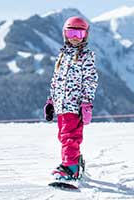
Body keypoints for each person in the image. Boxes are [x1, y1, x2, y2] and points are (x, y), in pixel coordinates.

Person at [44, 16, 98, 181]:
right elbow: (56, 80)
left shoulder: (86, 56)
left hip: (74, 106)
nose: (74, 37)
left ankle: (71, 168)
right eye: (71, 32)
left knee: (70, 136)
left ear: (85, 35)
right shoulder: (62, 56)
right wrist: (51, 101)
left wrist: (86, 104)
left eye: (79, 34)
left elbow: (90, 80)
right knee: (64, 136)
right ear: (65, 34)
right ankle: (72, 161)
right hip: (61, 105)